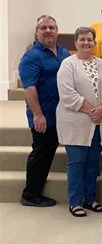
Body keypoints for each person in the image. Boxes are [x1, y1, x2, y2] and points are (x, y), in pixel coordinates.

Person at [56, 27, 102, 218]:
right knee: (77, 162)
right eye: (82, 40)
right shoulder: (68, 64)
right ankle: (75, 201)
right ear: (75, 42)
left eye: (90, 40)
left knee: (93, 162)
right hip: (76, 121)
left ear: (95, 42)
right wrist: (91, 110)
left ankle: (90, 198)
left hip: (97, 122)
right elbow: (67, 94)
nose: (86, 43)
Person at [18, 15, 69, 207]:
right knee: (41, 153)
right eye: (43, 28)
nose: (48, 31)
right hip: (43, 116)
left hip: (61, 114)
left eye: (52, 27)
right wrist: (38, 115)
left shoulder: (64, 53)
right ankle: (30, 194)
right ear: (37, 32)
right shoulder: (31, 57)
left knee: (49, 150)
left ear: (57, 30)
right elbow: (29, 89)